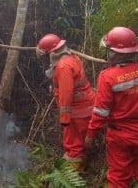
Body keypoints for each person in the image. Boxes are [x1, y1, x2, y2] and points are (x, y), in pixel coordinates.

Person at [84, 26, 138, 187]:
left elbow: (100, 112)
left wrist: (90, 136)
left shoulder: (107, 76)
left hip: (120, 136)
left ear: (113, 53)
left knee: (118, 177)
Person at [36, 34, 95, 173]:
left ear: (52, 53)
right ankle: (81, 168)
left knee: (73, 145)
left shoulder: (63, 67)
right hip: (85, 107)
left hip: (77, 111)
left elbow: (66, 94)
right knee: (80, 142)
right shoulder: (71, 58)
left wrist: (64, 118)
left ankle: (71, 175)